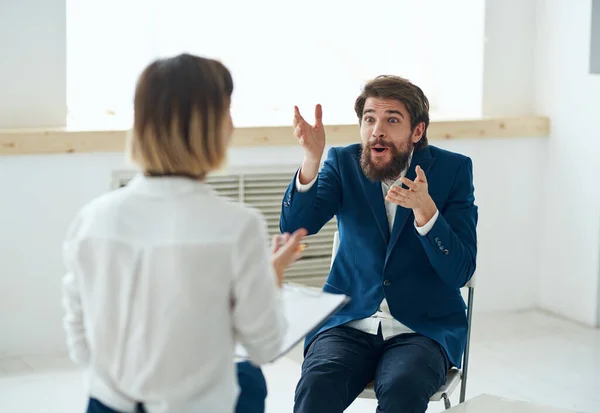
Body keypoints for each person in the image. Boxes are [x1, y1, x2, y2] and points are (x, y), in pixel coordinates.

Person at [61, 53, 306, 413]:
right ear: (210, 126)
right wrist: (271, 277)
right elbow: (264, 346)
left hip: (105, 403)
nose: (233, 126)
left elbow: (80, 342)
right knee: (250, 380)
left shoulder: (91, 219)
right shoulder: (237, 226)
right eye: (228, 112)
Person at [280, 75, 478, 413]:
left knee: (403, 387)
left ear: (417, 131)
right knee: (317, 385)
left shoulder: (452, 169)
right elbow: (297, 225)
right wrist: (311, 160)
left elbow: (460, 270)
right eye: (369, 118)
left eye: (392, 119)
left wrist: (425, 210)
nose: (377, 130)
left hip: (423, 328)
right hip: (347, 321)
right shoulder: (343, 162)